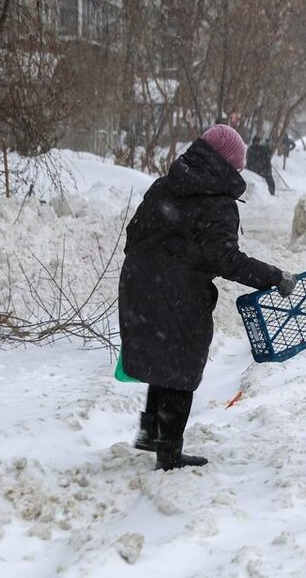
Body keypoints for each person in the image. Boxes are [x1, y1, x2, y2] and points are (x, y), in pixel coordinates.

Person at [118, 124, 296, 470]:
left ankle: (152, 432)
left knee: (163, 360)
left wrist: (161, 262)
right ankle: (169, 454)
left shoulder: (166, 185)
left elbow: (134, 232)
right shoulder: (217, 203)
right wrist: (274, 277)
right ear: (228, 165)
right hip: (176, 290)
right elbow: (226, 259)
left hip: (138, 282)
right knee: (181, 366)